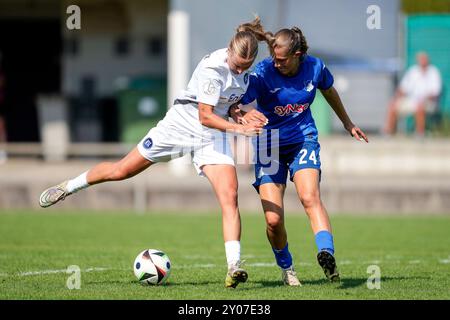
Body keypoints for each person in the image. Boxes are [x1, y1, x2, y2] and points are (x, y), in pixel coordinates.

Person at [39, 17, 271, 289]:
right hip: (181, 126)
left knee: (230, 194)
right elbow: (205, 116)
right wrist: (239, 130)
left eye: (245, 67)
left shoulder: (243, 71)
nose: (240, 69)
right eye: (237, 64)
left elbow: (227, 104)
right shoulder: (212, 68)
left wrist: (241, 114)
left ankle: (234, 266)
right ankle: (70, 186)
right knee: (121, 171)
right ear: (229, 51)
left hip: (212, 137)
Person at [230, 27, 368, 286]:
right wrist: (243, 116)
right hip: (269, 144)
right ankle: (287, 268)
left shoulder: (315, 67)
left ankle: (326, 252)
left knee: (309, 197)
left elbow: (329, 92)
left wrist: (348, 123)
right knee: (273, 220)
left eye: (282, 59)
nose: (276, 62)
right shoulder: (262, 73)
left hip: (303, 139)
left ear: (298, 54)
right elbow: (235, 104)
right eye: (274, 57)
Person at [384, 52, 442, 136]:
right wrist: (397, 96)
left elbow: (435, 93)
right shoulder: (413, 71)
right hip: (412, 101)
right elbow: (403, 88)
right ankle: (388, 132)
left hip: (429, 103)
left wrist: (424, 99)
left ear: (427, 60)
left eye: (424, 59)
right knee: (393, 105)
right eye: (420, 59)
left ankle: (420, 133)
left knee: (420, 106)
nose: (422, 61)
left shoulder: (433, 72)